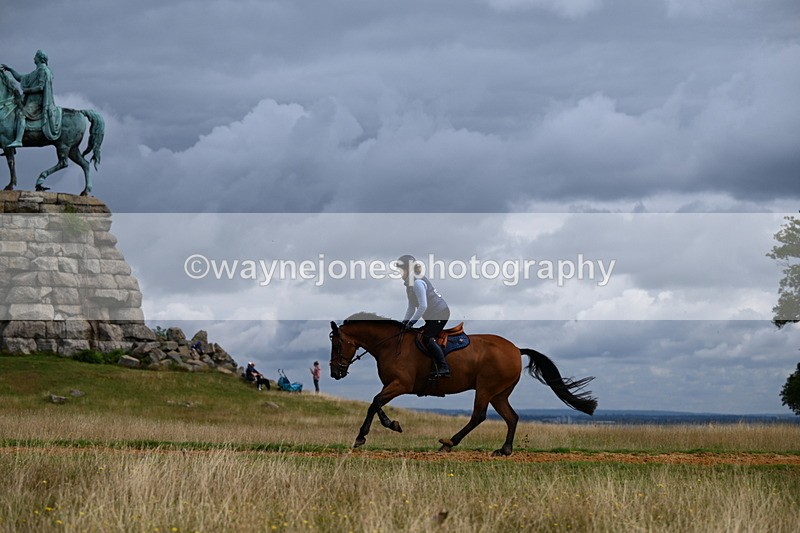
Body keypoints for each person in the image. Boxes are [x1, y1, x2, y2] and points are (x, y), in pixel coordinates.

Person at [397, 254, 451, 378]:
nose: (400, 273)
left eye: (401, 270)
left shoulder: (417, 283)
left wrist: (411, 323)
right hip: (432, 315)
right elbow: (411, 307)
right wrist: (404, 323)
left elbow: (423, 306)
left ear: (408, 269)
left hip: (440, 313)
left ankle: (444, 367)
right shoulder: (409, 285)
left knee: (427, 338)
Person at [1, 49, 62, 147]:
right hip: (31, 101)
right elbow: (20, 78)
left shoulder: (43, 70)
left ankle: (18, 140)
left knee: (21, 114)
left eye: (35, 56)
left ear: (40, 58)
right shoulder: (36, 71)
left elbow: (41, 87)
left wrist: (28, 90)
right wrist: (10, 69)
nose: (34, 58)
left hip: (37, 102)